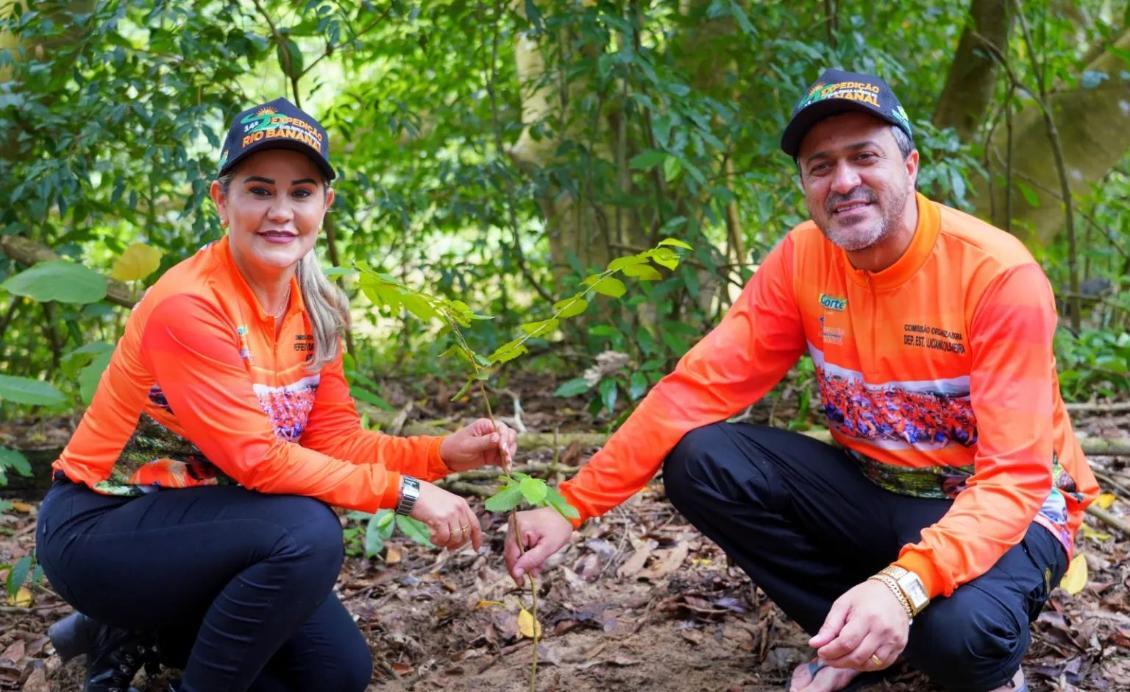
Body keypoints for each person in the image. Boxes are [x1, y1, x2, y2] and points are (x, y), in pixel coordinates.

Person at [504, 69, 1099, 692]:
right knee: (702, 459)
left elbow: (1014, 478)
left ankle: (942, 638)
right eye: (820, 167)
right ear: (806, 185)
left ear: (911, 165)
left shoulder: (997, 274)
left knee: (957, 640)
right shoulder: (802, 257)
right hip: (877, 489)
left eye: (864, 156)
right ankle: (853, 636)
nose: (843, 182)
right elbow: (697, 388)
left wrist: (904, 583)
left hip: (1012, 508)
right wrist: (569, 506)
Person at [37, 97, 518, 692]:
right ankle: (127, 614)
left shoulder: (314, 311)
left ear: (325, 204)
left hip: (213, 531)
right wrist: (408, 493)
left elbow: (333, 442)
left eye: (301, 192)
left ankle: (148, 630)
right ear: (222, 200)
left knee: (334, 675)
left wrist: (443, 454)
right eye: (260, 191)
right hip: (103, 530)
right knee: (307, 530)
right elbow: (259, 461)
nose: (281, 212)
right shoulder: (189, 305)